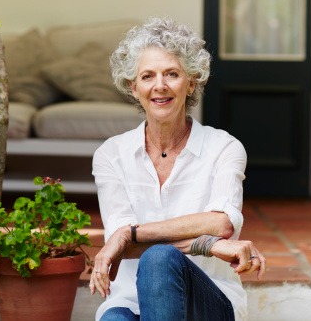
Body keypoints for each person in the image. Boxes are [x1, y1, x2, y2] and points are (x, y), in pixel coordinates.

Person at [89, 16, 266, 321]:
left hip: (209, 301)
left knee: (158, 257)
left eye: (172, 73)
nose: (160, 86)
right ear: (133, 87)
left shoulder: (224, 147)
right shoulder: (111, 155)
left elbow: (221, 224)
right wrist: (207, 245)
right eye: (147, 76)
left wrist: (131, 233)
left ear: (191, 82)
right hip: (130, 300)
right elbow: (124, 250)